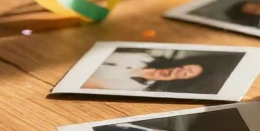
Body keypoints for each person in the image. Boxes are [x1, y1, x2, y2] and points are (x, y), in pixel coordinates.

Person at [83, 50, 240, 95]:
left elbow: (91, 85)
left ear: (182, 81)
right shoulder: (143, 57)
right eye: (185, 67)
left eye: (186, 74)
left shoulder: (137, 89)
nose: (181, 71)